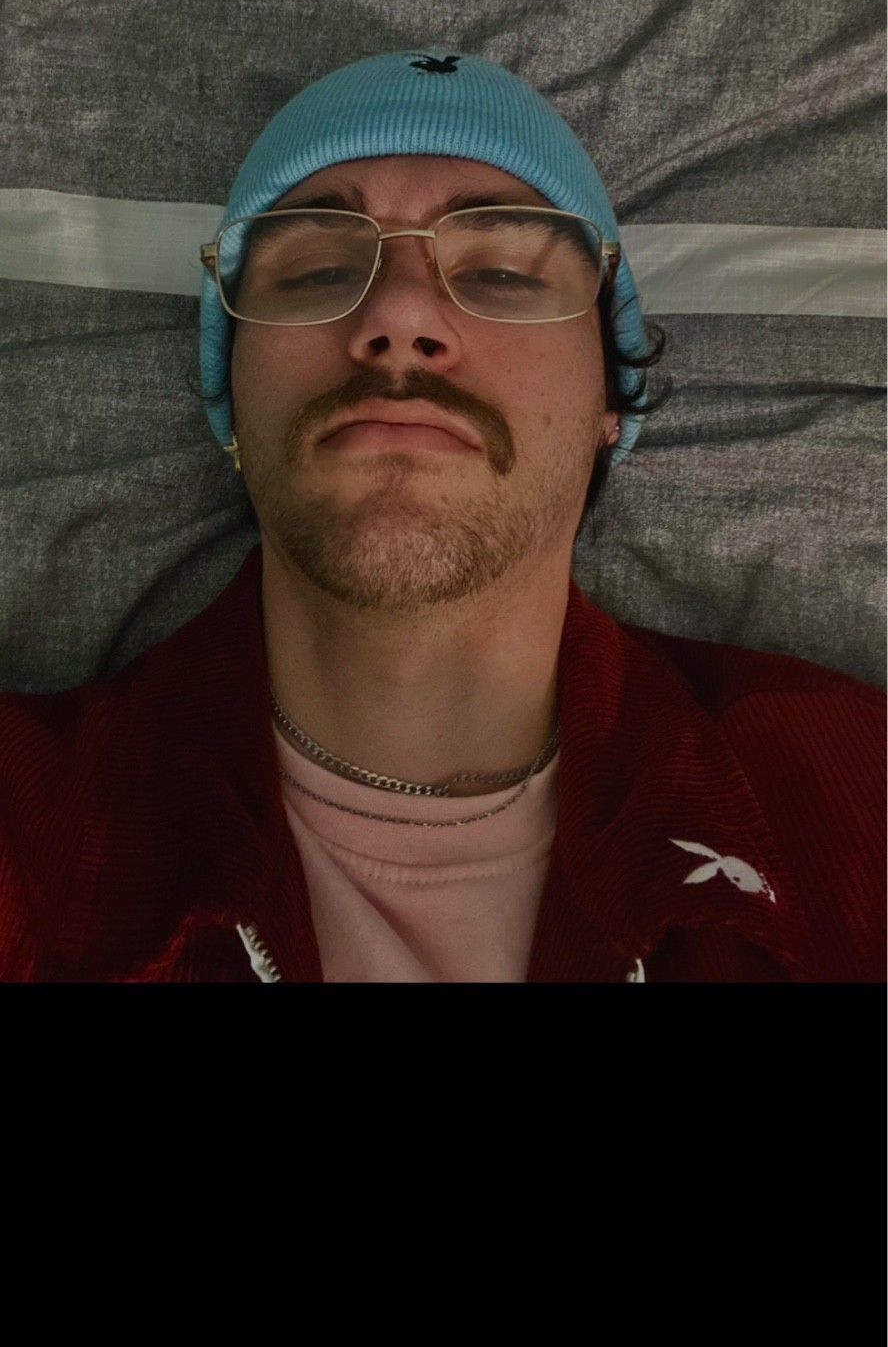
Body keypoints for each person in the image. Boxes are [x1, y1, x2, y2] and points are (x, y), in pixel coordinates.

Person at [1, 51, 884, 983]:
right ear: (233, 407)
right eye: (317, 271)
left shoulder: (858, 791)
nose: (400, 313)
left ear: (607, 403)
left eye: (500, 272)